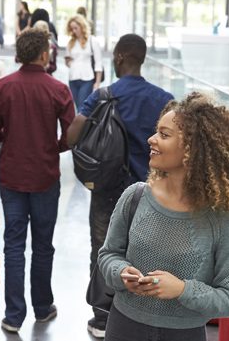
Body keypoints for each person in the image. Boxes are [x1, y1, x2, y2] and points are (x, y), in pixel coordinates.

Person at [98, 92, 229, 341]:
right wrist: (121, 272)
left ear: (193, 148)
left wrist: (181, 290)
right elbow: (108, 254)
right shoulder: (134, 197)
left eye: (164, 135)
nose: (151, 139)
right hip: (123, 327)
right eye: (156, 132)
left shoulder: (221, 220)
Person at [67, 33, 174, 338]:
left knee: (104, 249)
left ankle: (103, 317)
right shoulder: (164, 99)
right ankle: (143, 315)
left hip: (108, 188)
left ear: (119, 57)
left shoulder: (104, 95)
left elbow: (73, 134)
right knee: (150, 251)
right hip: (153, 190)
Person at [0, 29, 75, 333]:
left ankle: (13, 315)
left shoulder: (2, 87)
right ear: (45, 54)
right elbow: (72, 135)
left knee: (13, 245)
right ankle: (43, 306)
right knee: (43, 245)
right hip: (45, 176)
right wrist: (53, 147)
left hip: (11, 176)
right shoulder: (59, 89)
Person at [64, 14, 103, 110]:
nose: (74, 31)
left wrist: (97, 83)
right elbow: (67, 60)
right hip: (73, 78)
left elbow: (98, 63)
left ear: (82, 26)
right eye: (72, 29)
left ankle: (83, 120)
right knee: (78, 107)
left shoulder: (92, 40)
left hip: (87, 79)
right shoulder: (71, 42)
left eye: (76, 28)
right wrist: (69, 63)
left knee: (82, 108)